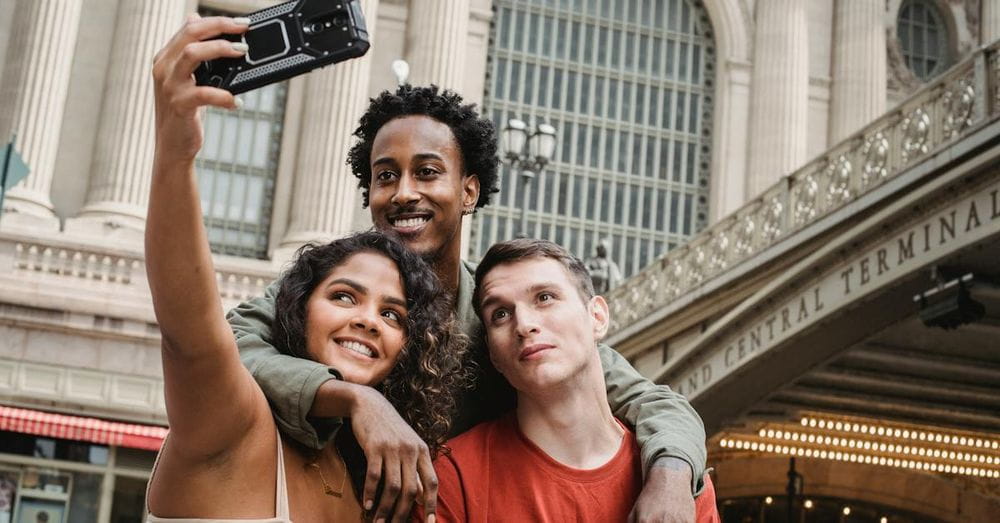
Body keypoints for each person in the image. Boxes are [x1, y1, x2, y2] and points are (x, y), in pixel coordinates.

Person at [230, 80, 709, 521]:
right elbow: (225, 346)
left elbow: (654, 402)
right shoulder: (328, 292)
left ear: (469, 190)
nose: (404, 193)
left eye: (427, 172)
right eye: (385, 176)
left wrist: (669, 480)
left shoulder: (504, 321)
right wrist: (355, 399)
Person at [145, 15, 467, 521]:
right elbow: (189, 333)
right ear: (296, 310)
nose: (368, 319)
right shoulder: (235, 423)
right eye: (344, 296)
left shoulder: (367, 479)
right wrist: (175, 154)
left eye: (393, 315)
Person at [420, 238, 719, 522]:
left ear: (597, 317)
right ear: (492, 353)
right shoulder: (451, 479)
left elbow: (663, 405)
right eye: (500, 314)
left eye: (545, 298)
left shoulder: (677, 485)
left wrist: (673, 477)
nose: (524, 325)